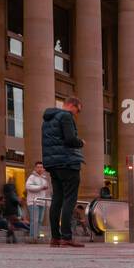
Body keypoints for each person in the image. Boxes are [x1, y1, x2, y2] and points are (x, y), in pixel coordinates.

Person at [42, 97, 86, 248]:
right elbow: (70, 140)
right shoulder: (66, 116)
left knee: (57, 200)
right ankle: (66, 237)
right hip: (68, 162)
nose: (77, 114)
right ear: (72, 105)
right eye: (78, 110)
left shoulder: (47, 119)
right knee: (69, 199)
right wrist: (81, 142)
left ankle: (55, 238)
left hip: (53, 164)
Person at [24, 162, 51, 242]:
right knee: (34, 220)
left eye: (41, 167)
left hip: (42, 202)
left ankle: (37, 235)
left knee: (40, 220)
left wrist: (48, 202)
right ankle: (32, 236)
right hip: (33, 201)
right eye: (38, 167)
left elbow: (47, 192)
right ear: (35, 168)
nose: (40, 169)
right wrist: (40, 187)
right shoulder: (32, 177)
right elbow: (28, 186)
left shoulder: (44, 178)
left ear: (43, 169)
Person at [0, 179, 24, 243]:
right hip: (13, 211)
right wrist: (19, 202)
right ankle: (11, 238)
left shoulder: (6, 193)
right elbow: (15, 201)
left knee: (11, 224)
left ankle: (12, 238)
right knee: (12, 224)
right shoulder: (12, 193)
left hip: (7, 211)